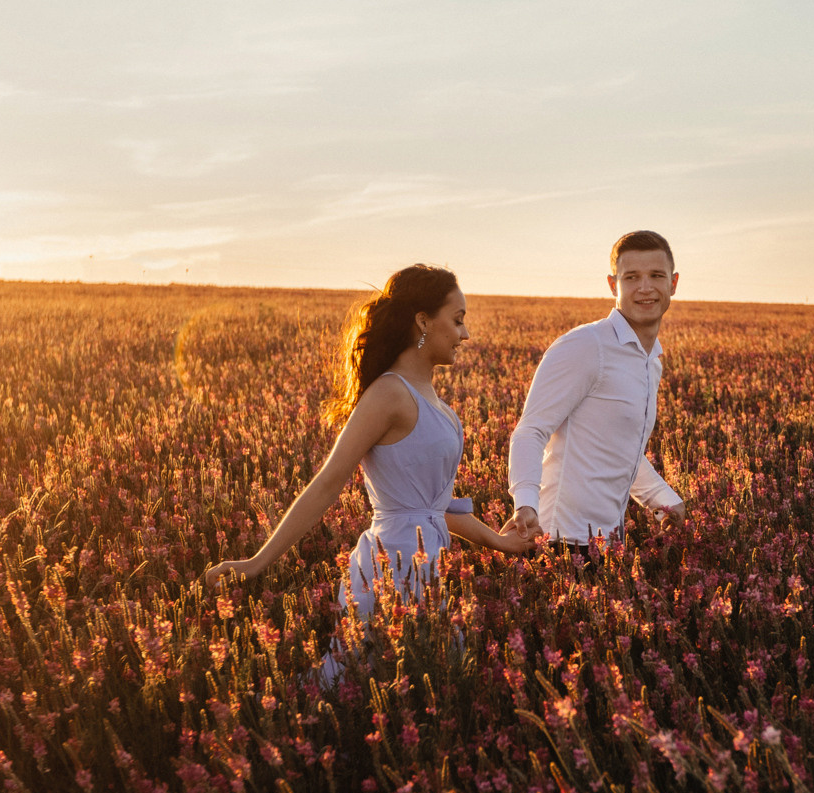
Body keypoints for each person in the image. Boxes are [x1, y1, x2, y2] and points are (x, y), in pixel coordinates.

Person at [204, 264, 535, 613]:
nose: (465, 334)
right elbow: (327, 484)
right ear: (423, 322)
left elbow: (432, 508)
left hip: (428, 567)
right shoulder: (389, 393)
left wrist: (501, 542)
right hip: (389, 567)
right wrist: (256, 563)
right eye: (457, 320)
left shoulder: (438, 406)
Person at [504, 229, 690, 551]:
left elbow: (618, 449)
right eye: (631, 277)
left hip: (607, 545)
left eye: (656, 275)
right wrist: (525, 504)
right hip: (557, 541)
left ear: (672, 283)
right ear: (612, 285)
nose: (645, 288)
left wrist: (664, 500)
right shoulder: (586, 345)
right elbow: (531, 430)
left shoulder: (650, 361)